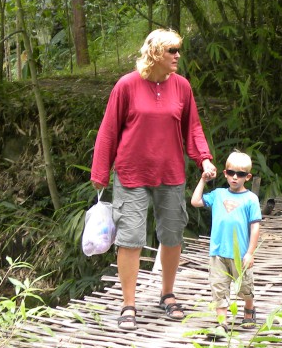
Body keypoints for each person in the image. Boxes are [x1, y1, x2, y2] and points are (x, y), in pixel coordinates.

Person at [91, 28, 216, 330]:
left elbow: (193, 127)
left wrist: (204, 158)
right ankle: (128, 304)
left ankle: (167, 294)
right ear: (156, 53)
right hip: (132, 173)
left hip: (170, 171)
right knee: (131, 238)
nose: (177, 56)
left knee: (172, 234)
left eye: (178, 50)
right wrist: (100, 172)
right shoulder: (127, 86)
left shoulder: (182, 87)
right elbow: (109, 130)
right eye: (172, 50)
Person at [191, 151, 262, 338]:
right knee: (219, 288)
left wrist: (250, 252)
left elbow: (255, 227)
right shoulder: (218, 194)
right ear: (225, 173)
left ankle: (249, 308)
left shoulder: (250, 199)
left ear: (247, 177)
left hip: (239, 254)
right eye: (231, 173)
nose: (234, 178)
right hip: (217, 252)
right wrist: (203, 180)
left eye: (240, 174)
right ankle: (222, 324)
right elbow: (195, 201)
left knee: (245, 287)